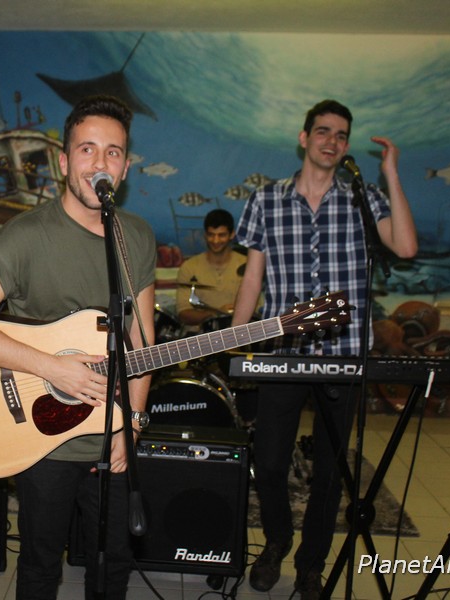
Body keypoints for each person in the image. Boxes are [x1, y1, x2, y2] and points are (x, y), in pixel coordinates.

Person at [0, 95, 156, 600]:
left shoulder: (136, 238)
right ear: (64, 162)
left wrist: (132, 425)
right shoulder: (25, 237)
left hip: (112, 436)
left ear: (124, 168)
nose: (99, 163)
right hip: (40, 436)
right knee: (40, 565)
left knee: (113, 565)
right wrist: (52, 368)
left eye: (113, 152)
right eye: (87, 149)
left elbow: (143, 346)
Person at [230, 99, 417, 599]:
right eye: (323, 131)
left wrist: (391, 173)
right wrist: (235, 344)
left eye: (340, 135)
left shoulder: (363, 197)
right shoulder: (266, 200)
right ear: (304, 137)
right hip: (285, 350)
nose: (331, 141)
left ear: (346, 145)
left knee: (330, 473)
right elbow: (252, 280)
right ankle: (276, 541)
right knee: (270, 462)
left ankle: (312, 565)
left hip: (345, 353)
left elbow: (405, 247)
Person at [174, 208, 246, 332]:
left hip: (240, 334)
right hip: (201, 336)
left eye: (221, 235)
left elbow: (257, 310)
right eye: (211, 235)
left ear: (232, 234)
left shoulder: (246, 264)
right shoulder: (189, 267)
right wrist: (218, 314)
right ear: (205, 235)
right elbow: (183, 313)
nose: (215, 240)